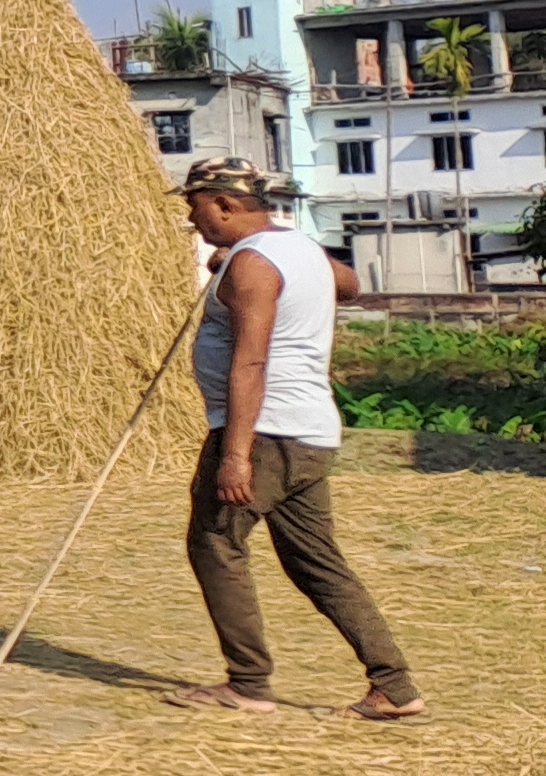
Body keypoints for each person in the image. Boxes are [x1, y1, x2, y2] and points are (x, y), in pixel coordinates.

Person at [164, 158, 425, 722]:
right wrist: (238, 265)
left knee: (215, 543)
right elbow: (349, 285)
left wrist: (234, 456)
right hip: (310, 433)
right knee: (317, 564)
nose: (191, 216)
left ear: (226, 205)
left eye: (196, 205)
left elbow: (250, 361)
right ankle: (396, 686)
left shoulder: (254, 265)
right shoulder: (297, 249)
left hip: (264, 433)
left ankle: (248, 683)